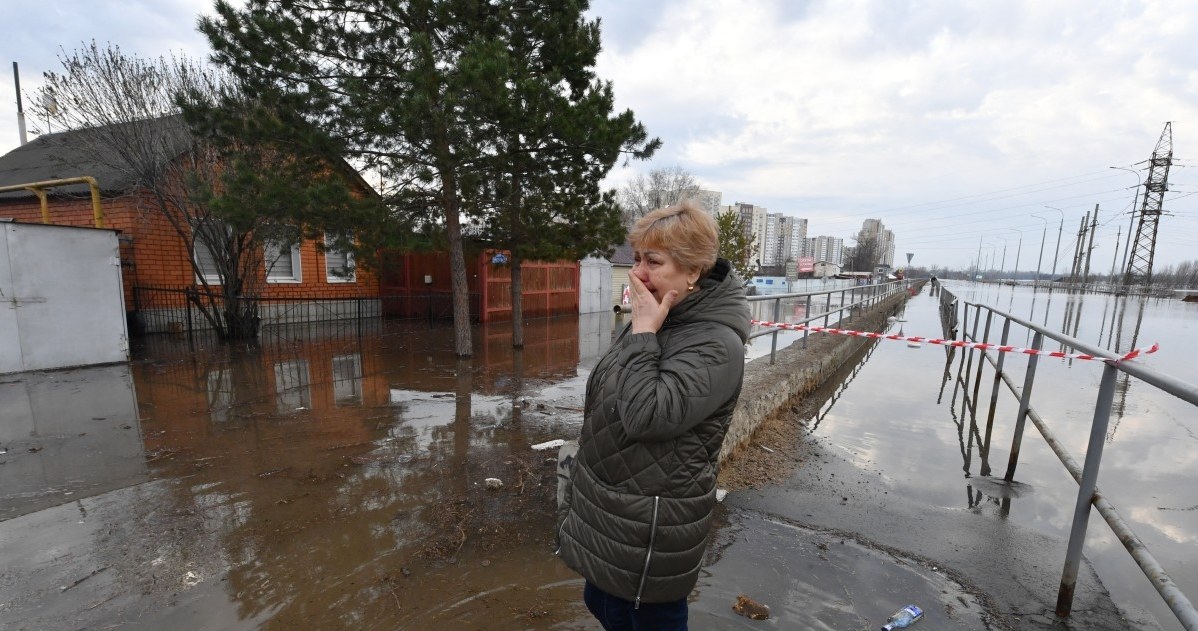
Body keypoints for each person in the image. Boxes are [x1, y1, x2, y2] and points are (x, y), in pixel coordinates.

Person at [556, 201, 750, 630]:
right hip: (614, 509)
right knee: (601, 603)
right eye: (638, 258)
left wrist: (643, 332)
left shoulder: (716, 343)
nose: (638, 272)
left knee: (640, 619)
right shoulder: (662, 315)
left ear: (694, 271)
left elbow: (648, 417)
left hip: (650, 532)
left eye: (654, 261)